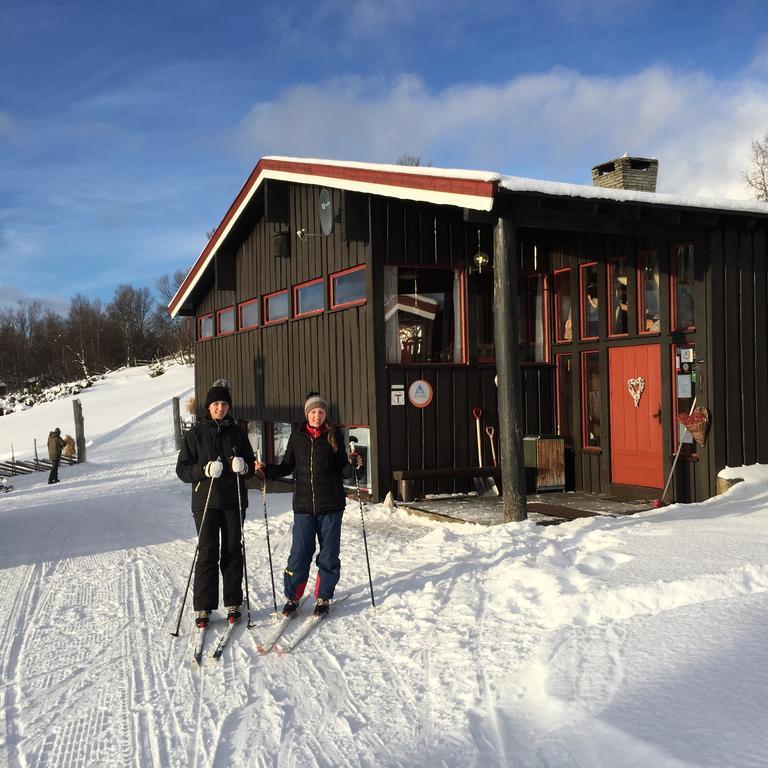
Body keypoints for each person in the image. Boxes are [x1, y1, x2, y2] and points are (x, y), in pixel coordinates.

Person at [255, 392, 363, 617]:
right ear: (307, 414)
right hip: (304, 507)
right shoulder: (296, 438)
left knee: (329, 554)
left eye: (321, 412)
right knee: (299, 554)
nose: (317, 416)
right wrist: (266, 470)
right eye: (313, 412)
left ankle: (323, 596)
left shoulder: (334, 436)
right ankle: (293, 597)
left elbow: (343, 471)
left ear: (325, 414)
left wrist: (354, 463)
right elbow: (286, 466)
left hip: (331, 505)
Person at [176, 383, 255, 628]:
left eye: (224, 404)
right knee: (208, 552)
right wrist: (204, 469)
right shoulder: (196, 434)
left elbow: (251, 465)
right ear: (208, 407)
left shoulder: (237, 433)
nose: (220, 408)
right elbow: (182, 470)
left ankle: (233, 602)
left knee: (232, 550)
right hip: (205, 502)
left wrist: (243, 467)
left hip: (233, 502)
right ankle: (203, 607)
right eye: (215, 404)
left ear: (229, 407)